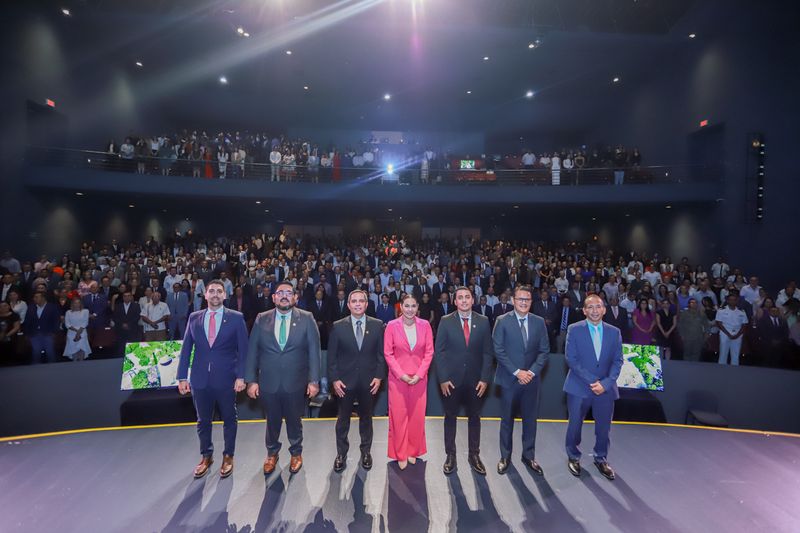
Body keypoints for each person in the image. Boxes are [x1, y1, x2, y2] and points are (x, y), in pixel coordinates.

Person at [245, 280, 321, 475]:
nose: (284, 295)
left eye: (289, 292)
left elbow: (314, 351)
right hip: (268, 382)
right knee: (272, 420)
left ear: (295, 297)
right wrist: (251, 380)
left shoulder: (307, 318)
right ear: (273, 298)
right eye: (280, 293)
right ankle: (272, 453)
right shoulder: (261, 318)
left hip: (296, 382)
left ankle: (296, 453)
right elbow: (252, 351)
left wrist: (314, 381)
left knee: (295, 420)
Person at [177, 280, 249, 479]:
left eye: (219, 291)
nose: (215, 294)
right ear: (205, 295)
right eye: (211, 291)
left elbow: (244, 350)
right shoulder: (194, 318)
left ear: (225, 296)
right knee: (203, 421)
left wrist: (242, 376)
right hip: (199, 380)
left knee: (229, 419)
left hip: (227, 379)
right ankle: (206, 456)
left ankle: (228, 456)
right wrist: (182, 376)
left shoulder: (236, 318)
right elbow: (186, 350)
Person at [434, 287, 493, 475]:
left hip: (476, 381)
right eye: (460, 297)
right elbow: (440, 352)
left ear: (473, 300)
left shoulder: (483, 322)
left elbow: (487, 352)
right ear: (455, 301)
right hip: (451, 381)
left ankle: (474, 455)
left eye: (467, 297)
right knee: (450, 417)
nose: (464, 300)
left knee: (474, 418)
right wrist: (443, 378)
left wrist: (485, 378)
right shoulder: (445, 321)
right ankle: (450, 455)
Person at [564, 294, 624, 480]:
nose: (595, 310)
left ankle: (601, 458)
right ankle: (573, 456)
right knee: (574, 425)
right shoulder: (574, 329)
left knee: (604, 428)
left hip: (605, 389)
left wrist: (605, 384)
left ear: (604, 309)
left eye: (598, 306)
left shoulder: (615, 332)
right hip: (579, 386)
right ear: (584, 310)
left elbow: (618, 361)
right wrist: (593, 381)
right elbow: (571, 359)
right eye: (590, 307)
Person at [492, 285, 550, 475]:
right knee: (506, 420)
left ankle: (528, 456)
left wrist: (531, 373)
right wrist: (517, 372)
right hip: (510, 379)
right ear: (513, 300)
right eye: (520, 299)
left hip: (531, 381)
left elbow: (544, 351)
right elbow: (498, 350)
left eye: (527, 299)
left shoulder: (539, 322)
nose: (523, 302)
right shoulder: (502, 321)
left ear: (531, 302)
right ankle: (505, 456)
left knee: (530, 420)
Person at [327, 289, 386, 473]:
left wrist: (378, 376)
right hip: (344, 383)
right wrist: (335, 380)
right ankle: (341, 454)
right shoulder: (338, 326)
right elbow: (332, 358)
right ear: (348, 304)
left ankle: (366, 452)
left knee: (366, 419)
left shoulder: (377, 325)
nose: (358, 304)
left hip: (369, 382)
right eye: (354, 301)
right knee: (343, 419)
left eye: (362, 301)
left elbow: (381, 355)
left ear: (367, 304)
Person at [383, 294, 434, 470]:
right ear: (401, 307)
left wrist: (419, 374)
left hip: (419, 379)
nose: (410, 309)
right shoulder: (391, 326)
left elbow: (429, 352)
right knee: (398, 417)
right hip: (398, 380)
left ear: (417, 307)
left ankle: (413, 450)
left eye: (413, 306)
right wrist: (402, 375)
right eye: (407, 306)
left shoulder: (425, 325)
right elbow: (388, 353)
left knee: (416, 417)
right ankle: (400, 453)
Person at [24, 292, 61, 364]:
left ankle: (53, 368)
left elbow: (56, 321)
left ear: (43, 298)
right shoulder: (31, 307)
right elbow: (27, 321)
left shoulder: (52, 307)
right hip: (34, 334)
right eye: (34, 297)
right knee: (36, 352)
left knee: (50, 352)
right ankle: (35, 369)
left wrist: (54, 333)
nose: (34, 299)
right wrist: (27, 334)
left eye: (36, 297)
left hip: (48, 334)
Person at [715, 293, 749, 366]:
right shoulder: (721, 310)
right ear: (727, 301)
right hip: (725, 333)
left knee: (735, 355)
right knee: (723, 353)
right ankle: (721, 371)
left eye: (734, 300)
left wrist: (738, 335)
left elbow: (744, 324)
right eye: (730, 300)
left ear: (737, 301)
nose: (732, 301)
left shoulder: (741, 311)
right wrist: (728, 334)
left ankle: (734, 372)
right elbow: (719, 323)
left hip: (738, 333)